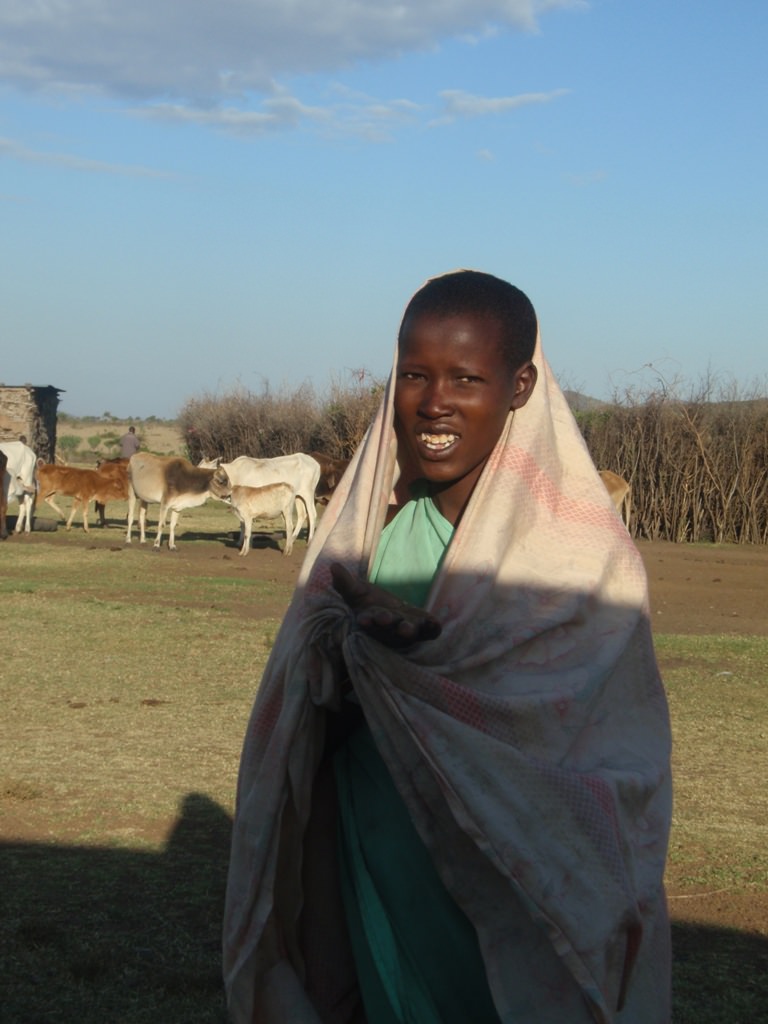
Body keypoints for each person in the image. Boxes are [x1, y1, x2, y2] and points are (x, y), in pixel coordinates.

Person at [223, 270, 672, 1023]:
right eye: (413, 376)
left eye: (467, 377)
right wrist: (356, 656)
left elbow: (613, 760)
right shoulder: (378, 536)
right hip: (386, 852)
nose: (434, 402)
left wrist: (424, 679)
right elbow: (321, 727)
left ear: (521, 384)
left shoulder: (585, 561)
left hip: (522, 879)